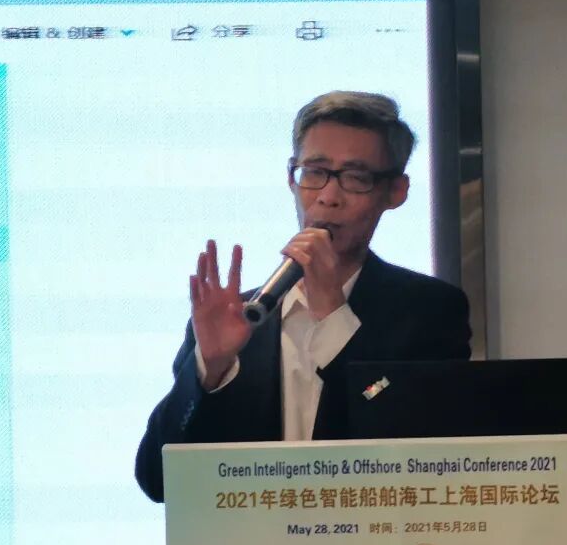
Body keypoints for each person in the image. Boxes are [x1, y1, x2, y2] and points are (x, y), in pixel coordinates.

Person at [135, 91, 472, 503]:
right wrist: (210, 369)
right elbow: (157, 482)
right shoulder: (239, 317)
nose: (329, 196)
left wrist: (333, 317)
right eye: (314, 172)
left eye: (356, 177)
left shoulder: (430, 312)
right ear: (291, 178)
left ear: (396, 192)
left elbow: (425, 466)